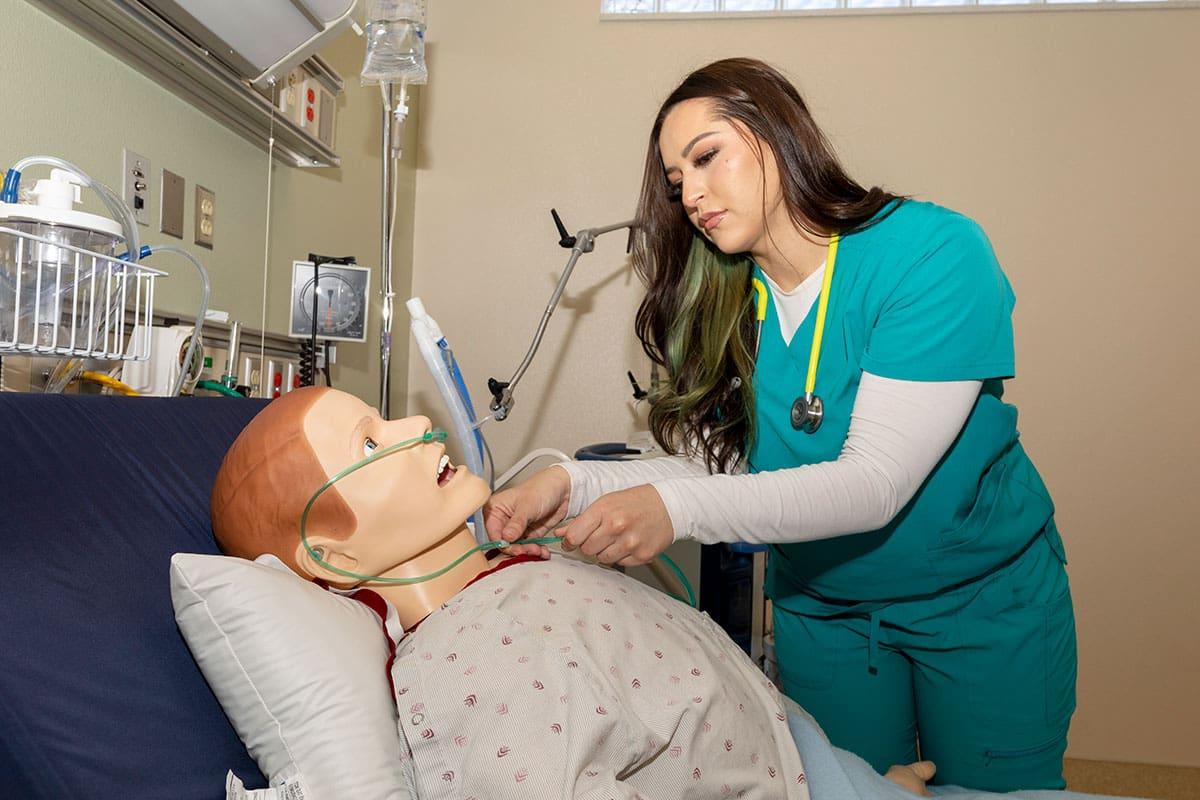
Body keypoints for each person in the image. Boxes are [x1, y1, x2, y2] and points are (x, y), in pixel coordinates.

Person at [486, 57, 1076, 793]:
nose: (692, 195)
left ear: (779, 133)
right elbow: (722, 469)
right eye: (676, 184)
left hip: (978, 604)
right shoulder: (724, 295)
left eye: (707, 157)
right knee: (841, 786)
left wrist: (673, 511)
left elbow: (875, 484)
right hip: (823, 611)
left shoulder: (930, 254)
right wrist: (570, 484)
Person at [209, 387, 945, 799]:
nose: (419, 425)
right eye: (373, 443)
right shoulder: (470, 668)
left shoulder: (503, 577)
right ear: (329, 553)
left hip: (787, 741)